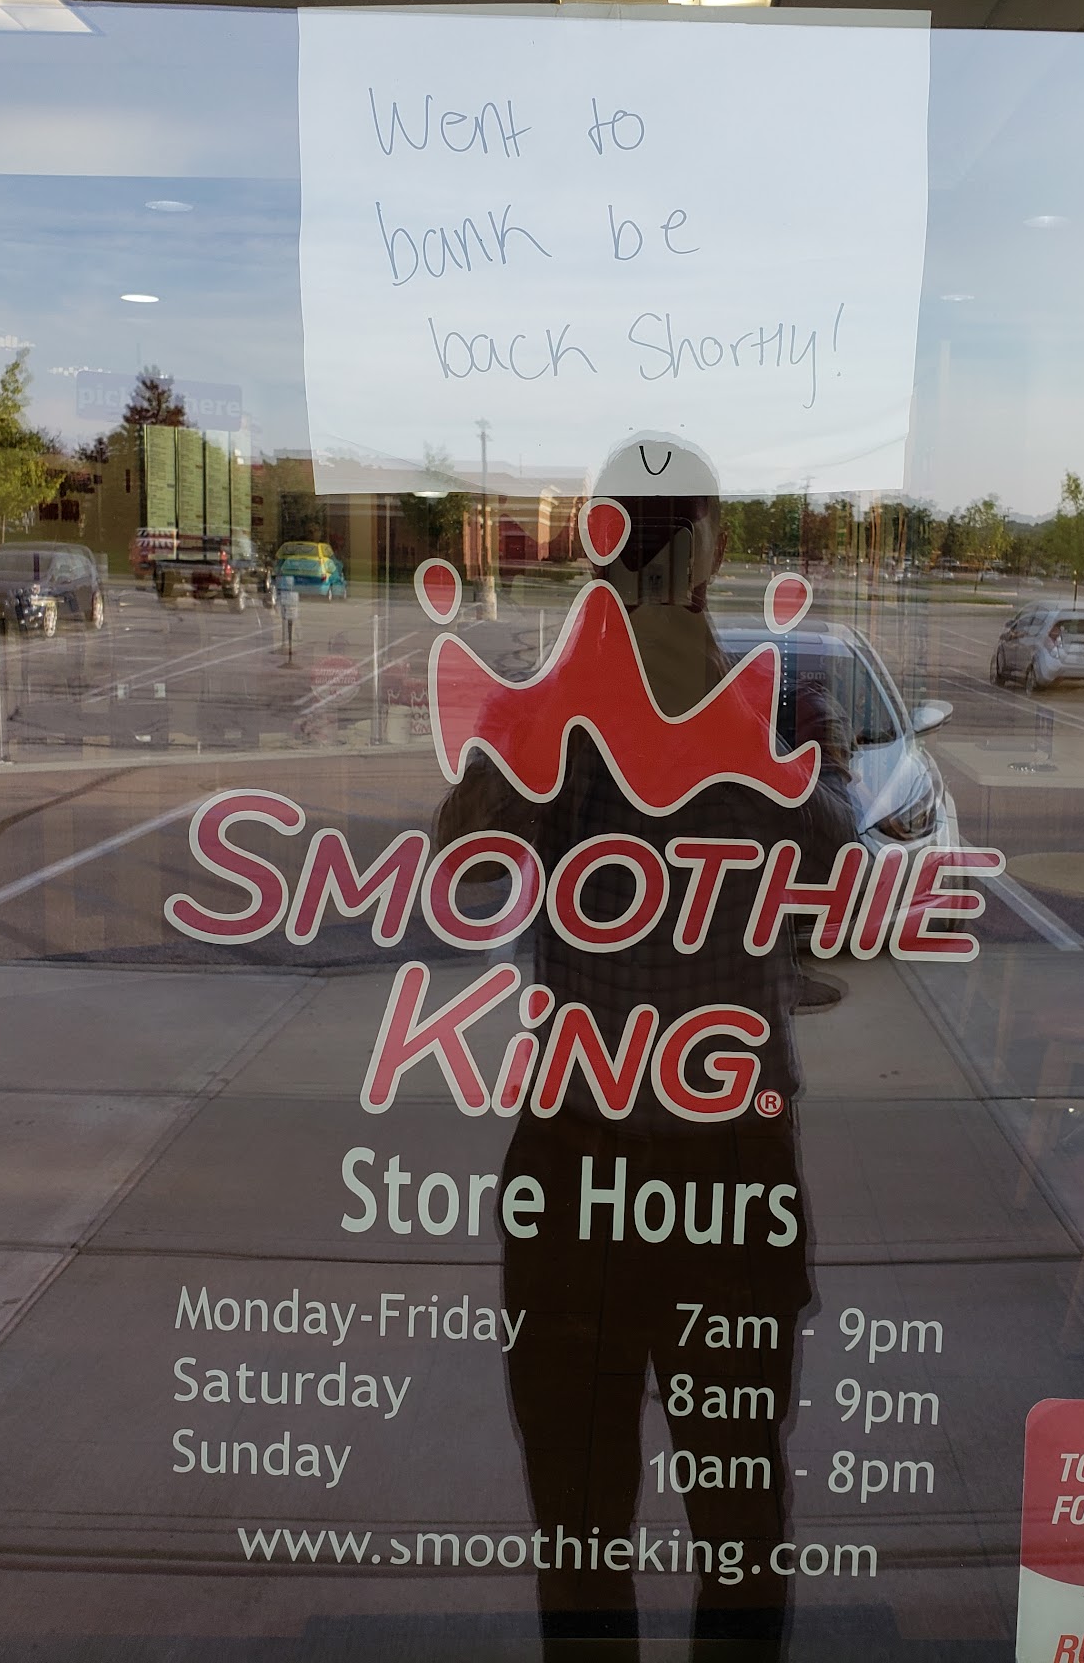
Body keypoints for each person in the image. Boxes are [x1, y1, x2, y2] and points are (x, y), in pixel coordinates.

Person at [433, 436, 858, 1660]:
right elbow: (463, 858)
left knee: (710, 1505)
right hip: (644, 1158)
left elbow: (842, 882)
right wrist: (581, 700)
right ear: (709, 550)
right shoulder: (571, 703)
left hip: (650, 1159)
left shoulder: (771, 701)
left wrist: (718, 716)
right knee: (630, 1512)